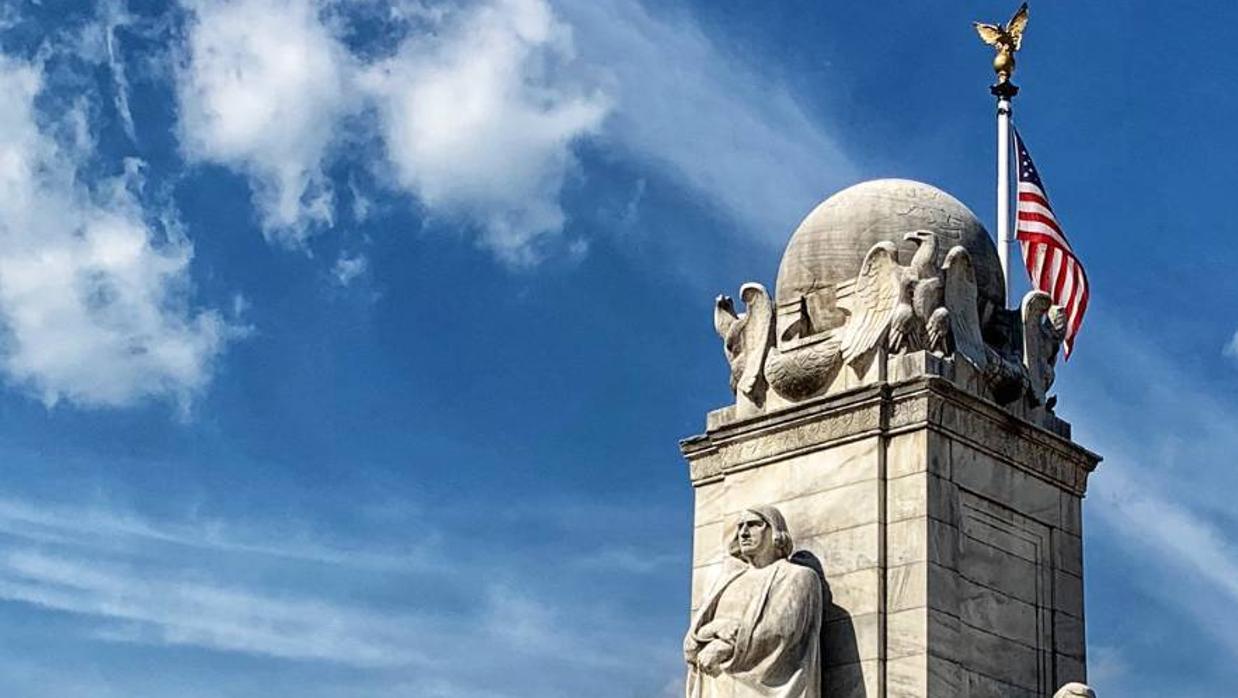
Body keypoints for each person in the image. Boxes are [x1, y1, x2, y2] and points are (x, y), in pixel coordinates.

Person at [683, 506, 823, 698]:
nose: (744, 532)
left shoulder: (798, 576)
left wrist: (725, 647)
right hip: (717, 686)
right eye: (740, 526)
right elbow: (692, 641)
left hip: (769, 688)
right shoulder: (727, 581)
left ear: (774, 531)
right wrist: (715, 628)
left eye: (753, 525)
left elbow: (781, 630)